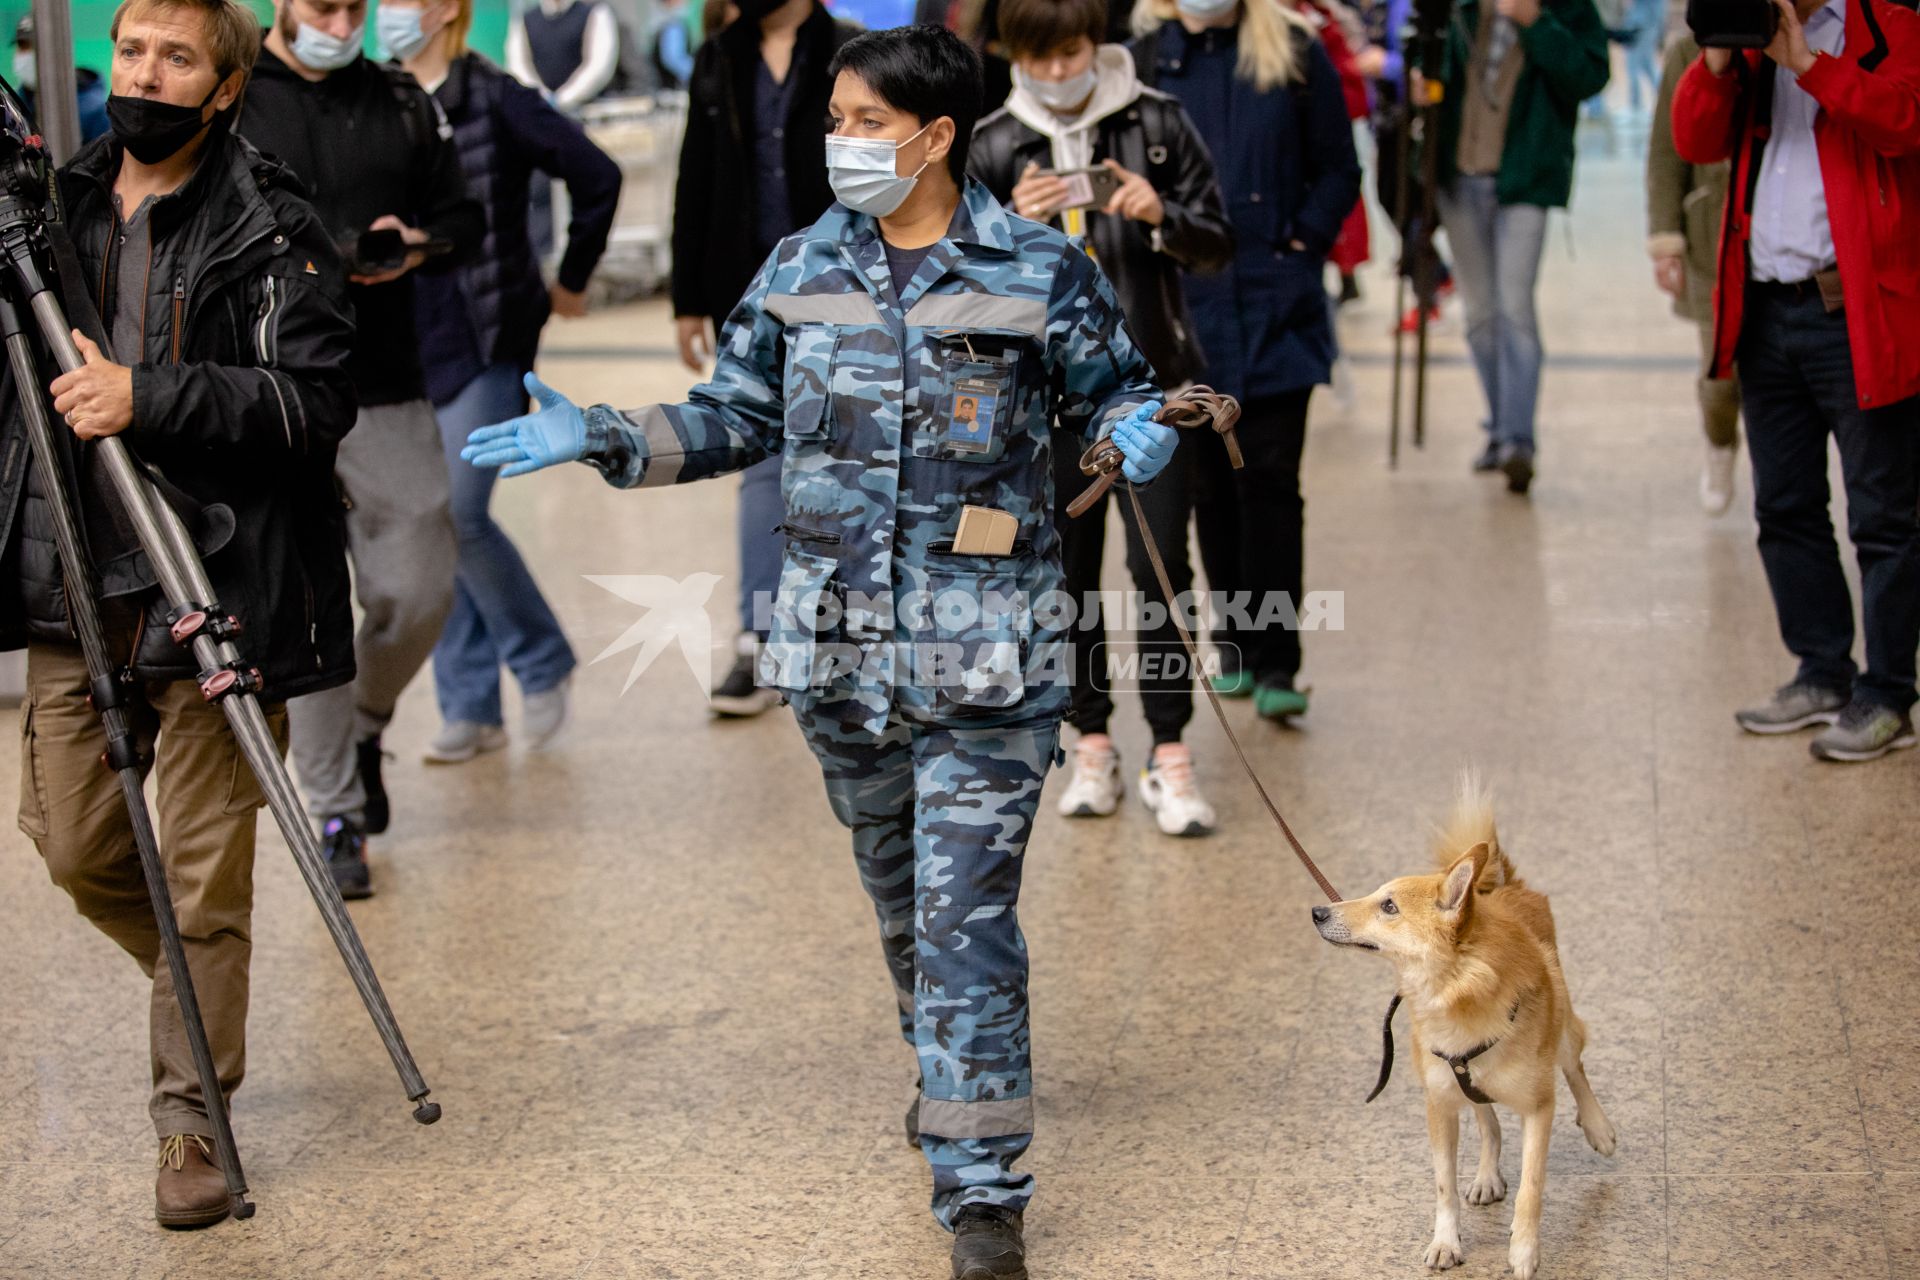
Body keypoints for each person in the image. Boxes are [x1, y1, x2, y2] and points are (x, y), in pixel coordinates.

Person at [464, 26, 1172, 1276]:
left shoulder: (1028, 265)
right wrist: (603, 435)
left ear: (937, 135)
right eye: (836, 117)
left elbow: (1114, 385)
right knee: (904, 901)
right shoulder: (798, 266)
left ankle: (982, 1190)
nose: (840, 138)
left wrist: (1140, 426)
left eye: (861, 120)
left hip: (986, 654)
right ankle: (944, 1059)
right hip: (838, 657)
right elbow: (733, 417)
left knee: (967, 917)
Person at [0, 0, 355, 1228]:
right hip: (78, 585)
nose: (144, 73)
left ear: (222, 87)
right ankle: (193, 983)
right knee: (73, 845)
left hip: (221, 588)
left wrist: (144, 394)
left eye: (176, 58)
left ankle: (189, 1120)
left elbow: (310, 405)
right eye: (131, 50)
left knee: (203, 881)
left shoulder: (274, 221)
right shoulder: (50, 206)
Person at [237, 0, 485, 898]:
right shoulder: (233, 98)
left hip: (379, 378)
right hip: (262, 392)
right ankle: (337, 813)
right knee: (310, 616)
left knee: (418, 588)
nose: (338, 21)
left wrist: (418, 245)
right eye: (320, 5)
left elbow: (466, 215)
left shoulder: (401, 100)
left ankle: (370, 718)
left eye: (352, 6)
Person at [970, 0, 1236, 835]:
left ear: (1099, 44)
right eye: (1038, 58)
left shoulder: (1157, 120)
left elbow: (1219, 242)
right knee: (1064, 579)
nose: (1056, 74)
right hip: (1045, 405)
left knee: (1162, 572)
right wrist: (1018, 230)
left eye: (1072, 53)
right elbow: (962, 289)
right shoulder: (990, 141)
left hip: (1155, 390)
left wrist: (1162, 217)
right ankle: (1091, 739)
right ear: (1015, 54)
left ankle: (1170, 750)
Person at [1673, 0, 1920, 762]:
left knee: (1882, 516)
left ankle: (1887, 696)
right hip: (1766, 310)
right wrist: (1717, 56)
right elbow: (1695, 138)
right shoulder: (1746, 41)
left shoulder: (1888, 26)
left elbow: (1904, 123)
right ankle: (1821, 671)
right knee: (1784, 505)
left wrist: (1809, 66)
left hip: (1855, 309)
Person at [381, 0, 623, 764]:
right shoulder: (373, 96)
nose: (388, 13)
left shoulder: (494, 96)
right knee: (429, 521)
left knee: (458, 512)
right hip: (398, 341)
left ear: (446, 9)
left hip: (487, 331)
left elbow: (597, 174)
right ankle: (470, 705)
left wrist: (572, 277)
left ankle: (542, 657)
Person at [1130, 0, 1362, 723]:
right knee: (1207, 491)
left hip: (1274, 302)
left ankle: (1277, 658)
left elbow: (1338, 167)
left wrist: (1304, 247)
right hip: (1184, 309)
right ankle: (1230, 640)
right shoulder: (1143, 62)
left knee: (1269, 481)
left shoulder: (1293, 51)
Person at [670, 0, 857, 717]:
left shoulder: (850, 51)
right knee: (758, 460)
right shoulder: (718, 56)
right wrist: (688, 296)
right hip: (746, 287)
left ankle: (846, 631)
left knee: (848, 455)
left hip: (842, 283)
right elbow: (696, 174)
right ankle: (758, 639)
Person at [1429, 0, 1609, 494]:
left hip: (1525, 181)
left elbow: (1590, 76)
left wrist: (1537, 23)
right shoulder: (1460, 8)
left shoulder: (1564, 8)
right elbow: (1426, 76)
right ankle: (1501, 424)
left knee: (1515, 308)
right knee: (1480, 316)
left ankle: (1517, 440)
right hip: (1457, 179)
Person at [1645, 30, 1737, 515]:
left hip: (1785, 242)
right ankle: (1720, 445)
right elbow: (1665, 149)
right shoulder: (1690, 48)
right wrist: (1665, 239)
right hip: (1711, 238)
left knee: (1783, 382)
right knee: (1720, 376)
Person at [507, 0, 624, 111]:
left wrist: (562, 100)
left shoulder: (596, 12)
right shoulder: (526, 19)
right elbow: (519, 65)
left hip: (588, 112)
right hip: (541, 115)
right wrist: (541, 98)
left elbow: (599, 65)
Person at [13, 14, 112, 144]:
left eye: (34, 46)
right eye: (22, 46)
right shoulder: (14, 106)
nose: (27, 54)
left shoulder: (96, 112)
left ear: (56, 50)